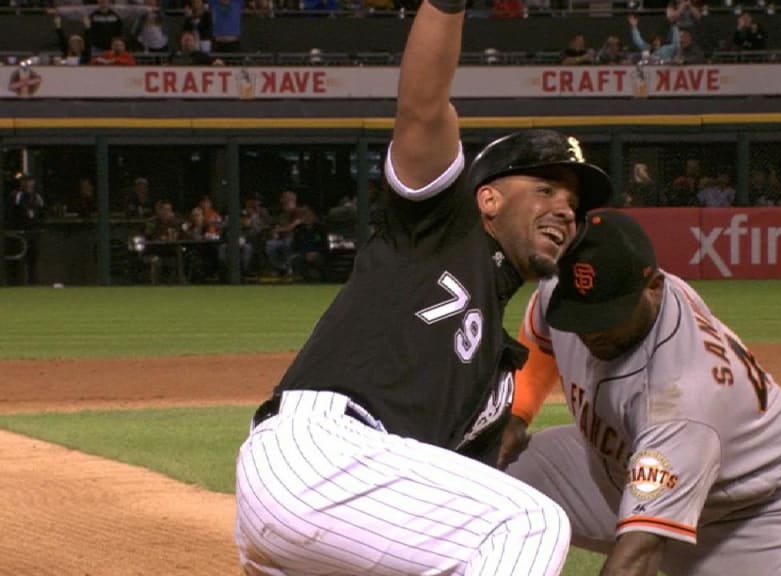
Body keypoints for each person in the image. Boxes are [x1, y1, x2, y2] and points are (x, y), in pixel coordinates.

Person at [232, 0, 614, 575]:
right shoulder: (440, 223)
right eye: (546, 189)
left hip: (345, 501)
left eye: (574, 205)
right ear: (489, 197)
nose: (565, 210)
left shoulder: (495, 368)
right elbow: (423, 107)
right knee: (530, 524)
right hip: (321, 453)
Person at [500, 210, 781, 576]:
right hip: (611, 471)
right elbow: (543, 339)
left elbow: (634, 561)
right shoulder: (569, 288)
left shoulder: (683, 396)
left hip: (741, 520)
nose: (591, 332)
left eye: (606, 317)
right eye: (581, 318)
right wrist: (516, 415)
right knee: (479, 476)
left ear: (654, 288)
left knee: (641, 539)